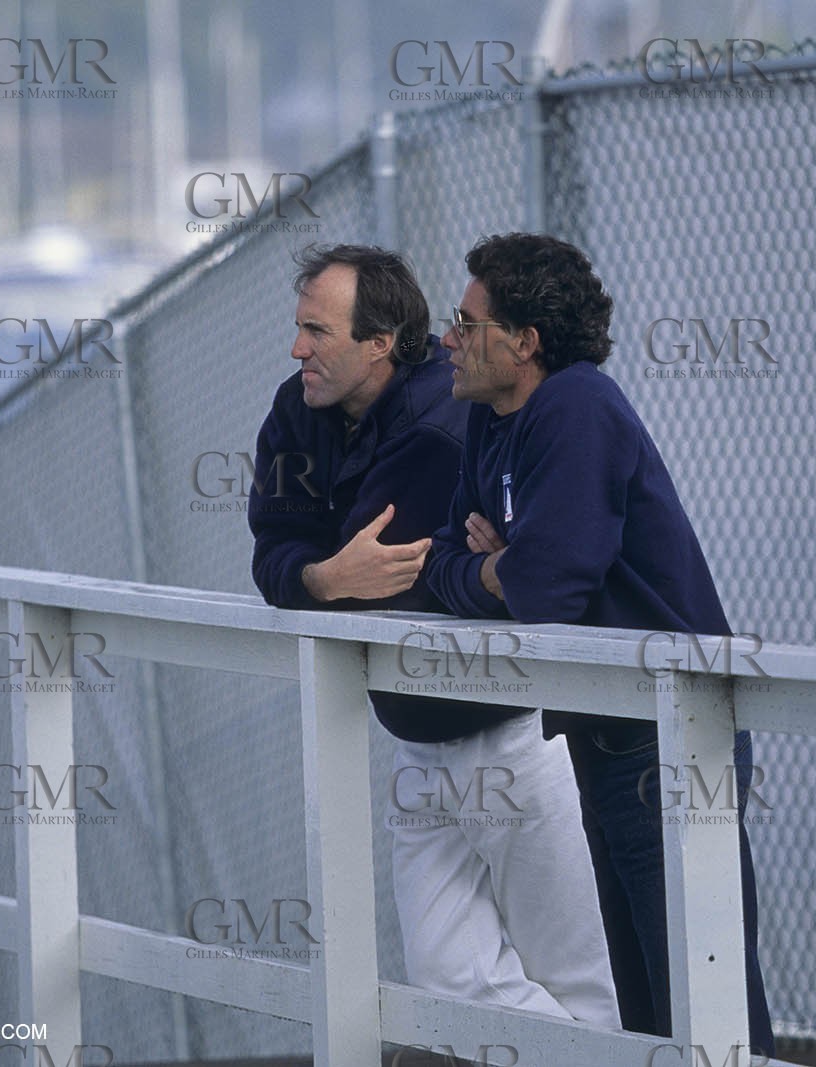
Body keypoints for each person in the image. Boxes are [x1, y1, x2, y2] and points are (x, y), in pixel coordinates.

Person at [248, 243, 618, 1027]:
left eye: (317, 330)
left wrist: (328, 569)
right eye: (299, 327)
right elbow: (278, 557)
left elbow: (398, 553)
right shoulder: (296, 408)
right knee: (450, 983)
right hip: (415, 736)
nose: (297, 348)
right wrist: (323, 578)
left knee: (585, 985)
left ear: (380, 343)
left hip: (515, 732)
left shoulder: (444, 414)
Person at [424, 232, 775, 1053]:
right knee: (645, 1009)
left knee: (710, 1003)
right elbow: (440, 561)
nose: (450, 337)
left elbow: (549, 587)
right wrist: (490, 571)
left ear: (525, 341)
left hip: (673, 742)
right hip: (601, 737)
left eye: (468, 322)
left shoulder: (578, 405)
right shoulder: (490, 420)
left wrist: (499, 565)